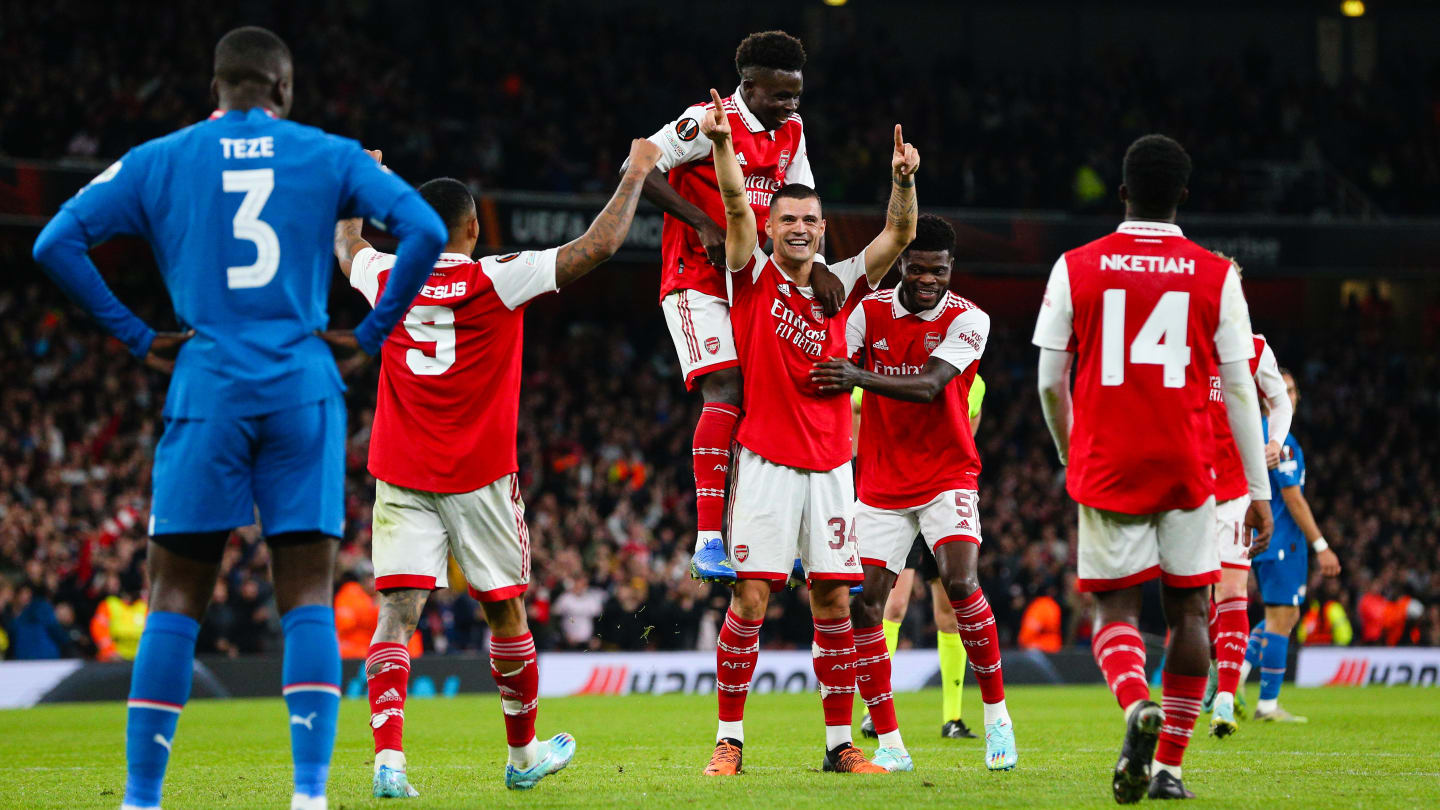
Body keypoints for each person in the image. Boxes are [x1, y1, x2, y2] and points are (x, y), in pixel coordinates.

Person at [30, 26, 446, 810]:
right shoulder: (327, 152)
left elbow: (55, 242)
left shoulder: (162, 157)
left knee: (175, 600)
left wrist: (136, 336)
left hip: (206, 386)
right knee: (308, 597)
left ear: (215, 90)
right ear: (283, 91)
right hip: (302, 388)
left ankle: (143, 799)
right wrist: (368, 334)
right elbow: (424, 227)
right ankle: (309, 796)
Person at [334, 138, 662, 794]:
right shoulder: (497, 276)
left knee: (396, 613)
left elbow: (347, 245)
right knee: (505, 612)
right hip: (480, 475)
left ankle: (389, 761)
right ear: (475, 227)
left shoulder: (385, 274)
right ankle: (521, 757)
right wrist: (637, 174)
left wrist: (359, 183)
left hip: (400, 471)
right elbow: (597, 247)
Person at [1032, 134, 1273, 802]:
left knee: (1114, 603)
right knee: (1190, 609)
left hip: (1109, 460)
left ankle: (1137, 703)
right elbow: (1243, 389)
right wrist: (1257, 490)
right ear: (1183, 198)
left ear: (1121, 193)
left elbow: (1051, 379)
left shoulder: (1076, 266)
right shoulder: (1216, 274)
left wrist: (1066, 446)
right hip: (1189, 465)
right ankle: (1168, 768)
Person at [698, 87, 918, 776]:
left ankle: (838, 746)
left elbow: (899, 236)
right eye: (787, 218)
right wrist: (724, 144)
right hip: (765, 463)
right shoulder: (753, 274)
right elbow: (735, 203)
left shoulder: (844, 283)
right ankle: (728, 741)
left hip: (831, 468)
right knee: (751, 597)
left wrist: (902, 184)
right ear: (771, 228)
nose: (798, 227)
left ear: (824, 229)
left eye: (809, 220)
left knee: (831, 601)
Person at [635, 30, 844, 582]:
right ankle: (707, 542)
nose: (791, 106)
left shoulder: (792, 131)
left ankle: (760, 534)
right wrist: (699, 220)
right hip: (693, 278)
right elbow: (639, 168)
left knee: (764, 398)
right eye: (780, 95)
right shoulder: (705, 120)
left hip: (751, 282)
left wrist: (819, 263)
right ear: (748, 87)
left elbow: (802, 206)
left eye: (796, 95)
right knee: (725, 386)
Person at [811, 213, 1016, 771]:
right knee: (867, 609)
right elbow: (830, 355)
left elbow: (928, 386)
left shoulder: (970, 318)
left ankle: (998, 720)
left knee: (960, 581)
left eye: (941, 271)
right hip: (879, 482)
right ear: (902, 262)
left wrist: (857, 378)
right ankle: (891, 743)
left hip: (948, 473)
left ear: (952, 269)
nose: (930, 280)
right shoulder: (869, 311)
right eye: (920, 269)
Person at [853, 373, 987, 741]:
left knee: (950, 612)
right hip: (896, 492)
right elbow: (856, 430)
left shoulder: (975, 384)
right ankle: (871, 710)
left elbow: (965, 441)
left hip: (941, 494)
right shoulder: (882, 374)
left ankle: (953, 717)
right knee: (892, 606)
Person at [1201, 307, 1292, 737]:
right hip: (1189, 489)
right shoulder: (1184, 341)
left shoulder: (1255, 348)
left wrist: (1274, 440)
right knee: (1197, 598)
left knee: (1234, 589)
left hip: (1235, 490)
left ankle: (1224, 698)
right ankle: (1214, 674)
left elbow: (1280, 400)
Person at [1238, 370, 1343, 722]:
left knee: (1283, 616)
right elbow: (1293, 498)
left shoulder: (1262, 434)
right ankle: (1267, 704)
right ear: (1267, 397)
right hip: (1282, 541)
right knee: (1281, 618)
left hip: (1274, 541)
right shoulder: (1280, 440)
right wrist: (1321, 545)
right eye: (1283, 391)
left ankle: (1236, 673)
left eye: (1294, 390)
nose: (1291, 396)